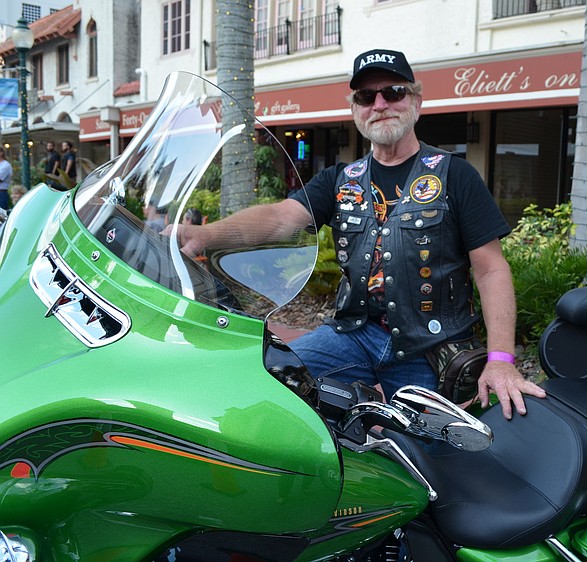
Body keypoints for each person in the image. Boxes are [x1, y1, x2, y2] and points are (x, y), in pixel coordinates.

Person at [171, 48, 545, 419]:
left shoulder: (455, 175)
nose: (380, 104)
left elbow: (491, 269)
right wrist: (203, 236)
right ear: (355, 109)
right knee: (270, 381)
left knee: (430, 457)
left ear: (415, 100)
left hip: (430, 348)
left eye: (393, 92)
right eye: (366, 96)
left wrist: (500, 360)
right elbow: (281, 218)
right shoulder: (340, 179)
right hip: (354, 334)